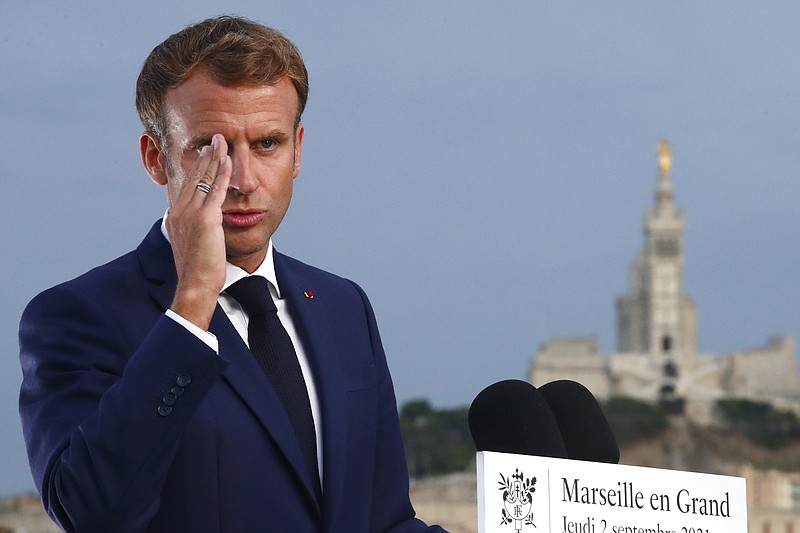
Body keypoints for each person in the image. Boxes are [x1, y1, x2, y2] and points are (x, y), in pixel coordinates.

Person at [19, 16, 446, 533]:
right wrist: (193, 302)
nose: (243, 180)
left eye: (267, 144)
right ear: (156, 159)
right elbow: (90, 513)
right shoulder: (76, 316)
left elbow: (384, 522)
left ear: (298, 151)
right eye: (210, 148)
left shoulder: (343, 306)